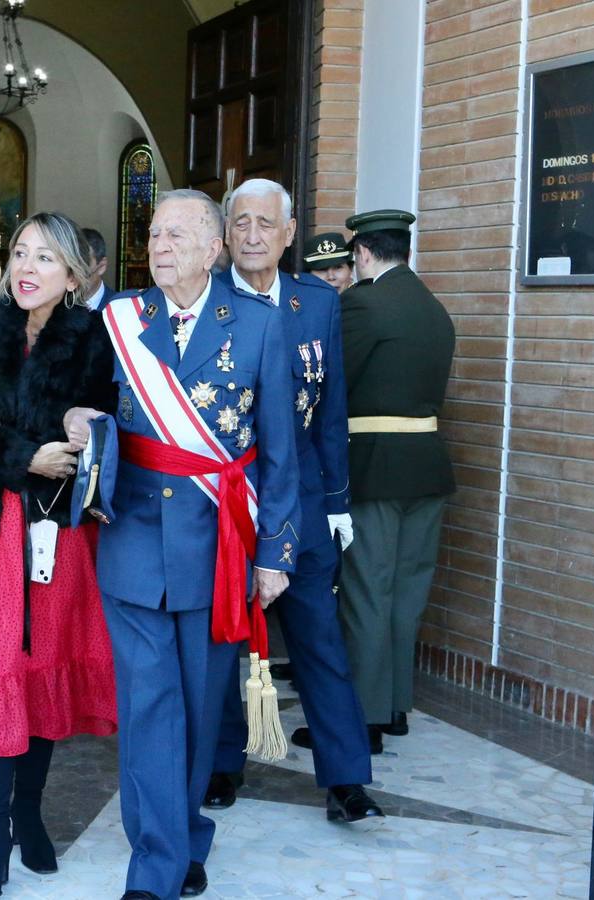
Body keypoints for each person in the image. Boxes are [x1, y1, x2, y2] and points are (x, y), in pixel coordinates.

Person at [65, 190, 301, 900]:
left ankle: (184, 833)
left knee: (198, 709)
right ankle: (157, 862)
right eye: (154, 235)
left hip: (218, 547)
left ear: (213, 249)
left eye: (176, 235)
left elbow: (281, 454)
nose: (159, 247)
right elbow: (74, 397)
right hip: (133, 539)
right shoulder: (119, 319)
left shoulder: (259, 325)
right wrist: (73, 415)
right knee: (148, 705)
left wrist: (275, 554)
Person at [0, 211, 119, 899]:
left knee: (37, 671)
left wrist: (26, 425)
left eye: (45, 257)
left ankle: (29, 815)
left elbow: (97, 432)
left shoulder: (93, 336)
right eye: (20, 253)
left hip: (55, 534)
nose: (27, 267)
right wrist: (23, 452)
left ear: (73, 275)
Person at [205, 179, 383, 823]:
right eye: (241, 223)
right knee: (222, 642)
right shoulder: (204, 300)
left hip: (302, 500)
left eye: (266, 224)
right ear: (225, 235)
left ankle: (346, 779)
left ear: (288, 233)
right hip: (226, 498)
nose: (253, 236)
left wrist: (337, 501)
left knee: (320, 640)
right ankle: (222, 763)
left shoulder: (318, 302)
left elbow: (331, 410)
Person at [337, 208, 456, 747]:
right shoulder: (434, 309)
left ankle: (364, 719)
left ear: (362, 253)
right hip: (427, 466)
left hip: (375, 466)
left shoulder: (364, 303)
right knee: (407, 592)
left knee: (367, 590)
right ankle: (395, 707)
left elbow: (333, 381)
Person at [81, 227, 114, 310]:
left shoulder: (121, 308)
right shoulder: (53, 305)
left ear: (102, 267)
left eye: (83, 262)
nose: (74, 271)